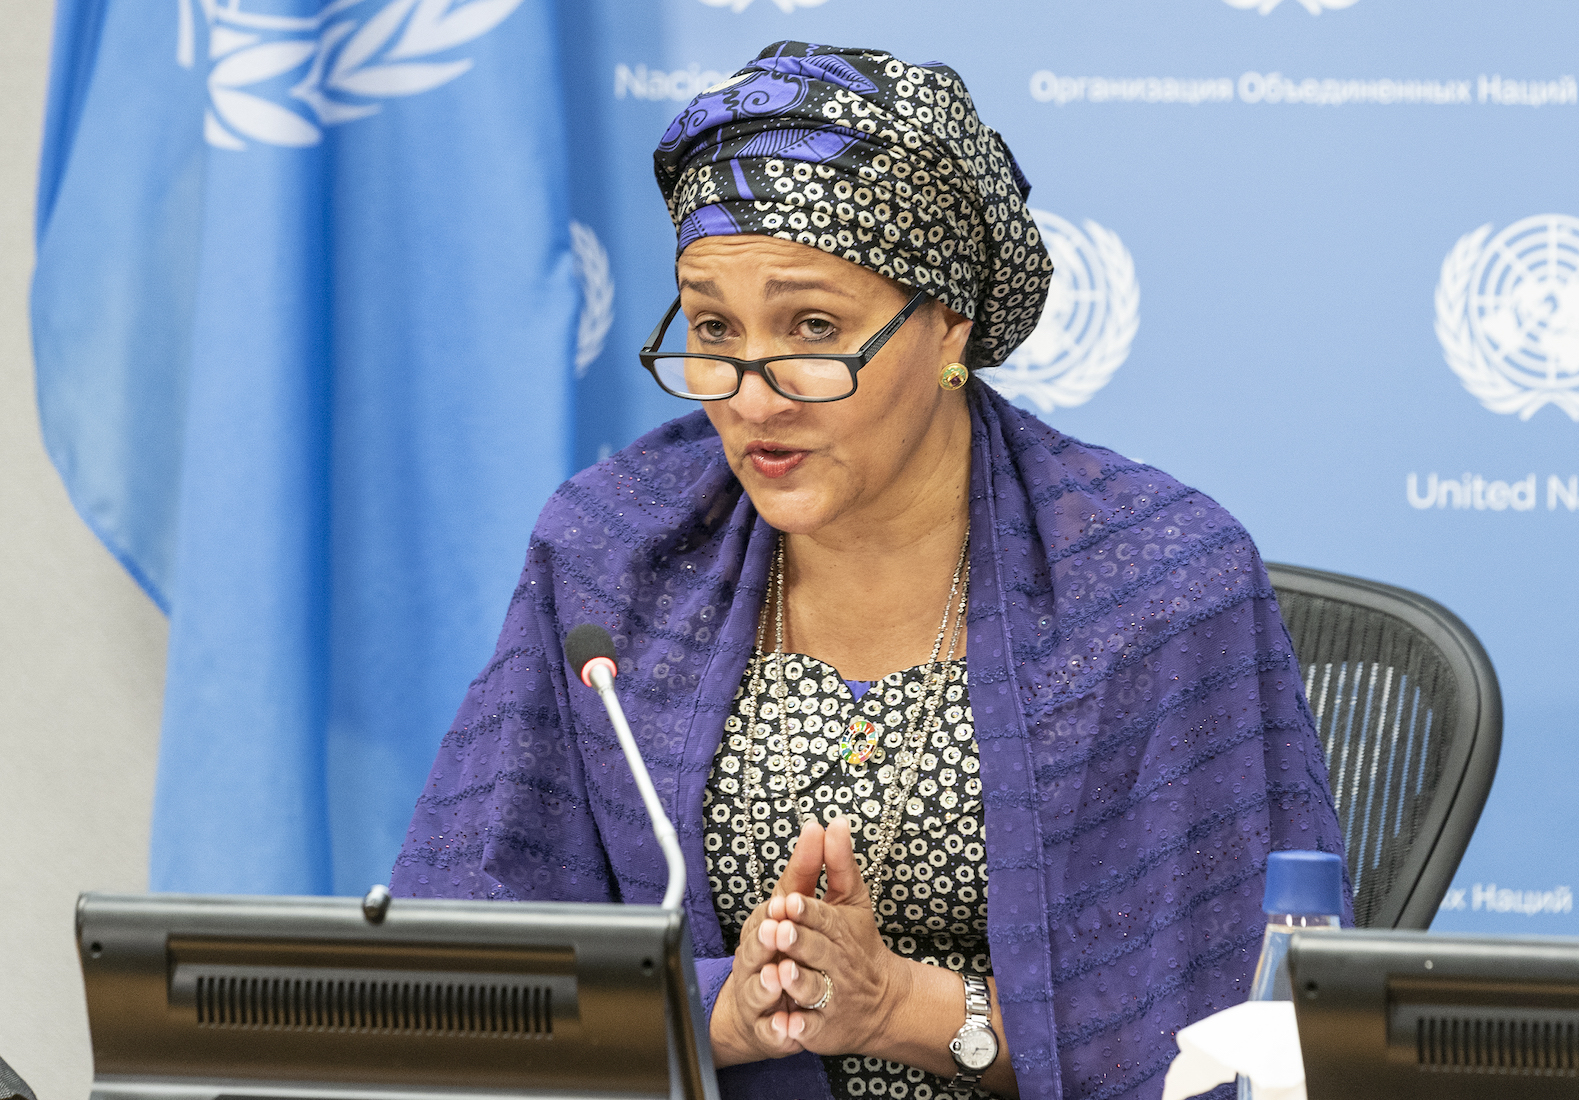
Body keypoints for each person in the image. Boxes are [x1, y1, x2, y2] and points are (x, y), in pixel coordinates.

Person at [391, 41, 1348, 1100]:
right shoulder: (612, 552)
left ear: (950, 323)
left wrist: (899, 1005)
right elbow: (477, 968)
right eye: (713, 328)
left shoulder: (1158, 583)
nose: (752, 398)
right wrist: (722, 1005)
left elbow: (1247, 1037)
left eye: (812, 328)